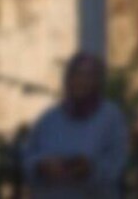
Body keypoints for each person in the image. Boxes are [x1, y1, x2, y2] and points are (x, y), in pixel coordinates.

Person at [22, 53, 128, 199]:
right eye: (77, 74)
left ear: (98, 81)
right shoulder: (49, 119)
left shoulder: (111, 118)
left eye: (89, 76)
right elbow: (28, 157)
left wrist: (88, 170)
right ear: (68, 79)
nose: (81, 81)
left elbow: (116, 163)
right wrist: (42, 166)